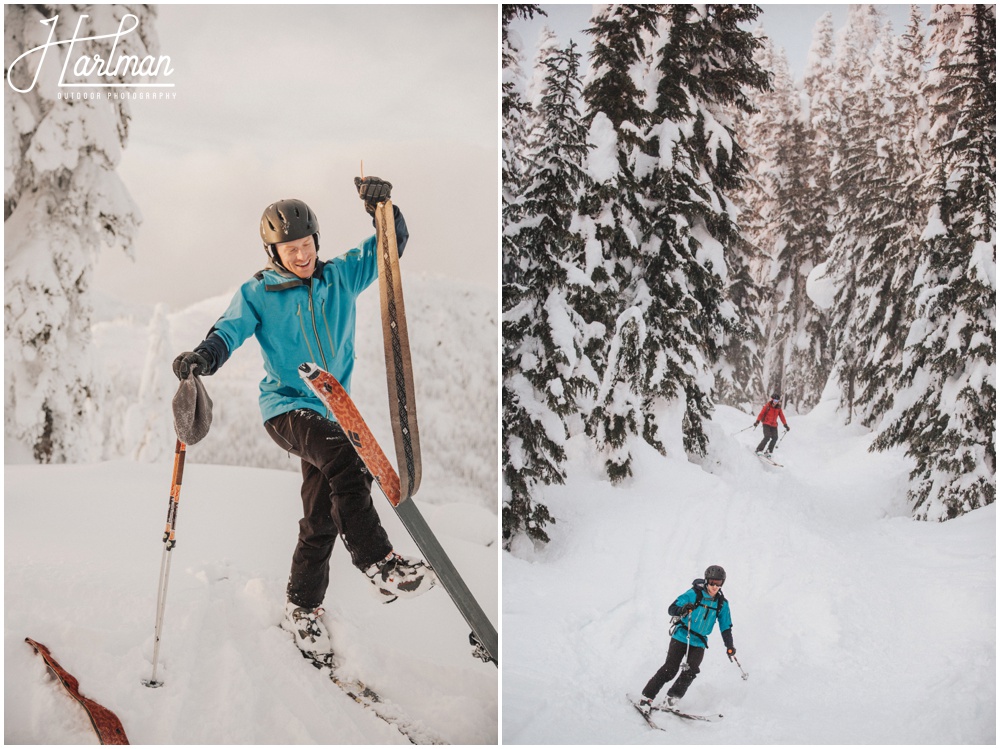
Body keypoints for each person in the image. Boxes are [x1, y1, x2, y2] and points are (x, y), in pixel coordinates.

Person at [171, 177, 437, 660]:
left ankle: (301, 606)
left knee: (320, 519)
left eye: (306, 245)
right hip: (287, 408)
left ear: (317, 241)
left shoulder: (341, 277)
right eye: (290, 248)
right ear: (273, 252)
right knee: (346, 460)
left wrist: (382, 208)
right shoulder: (258, 293)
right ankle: (379, 561)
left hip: (335, 409)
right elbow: (227, 333)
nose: (301, 255)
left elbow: (390, 244)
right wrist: (202, 358)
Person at [638, 566, 735, 710]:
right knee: (670, 669)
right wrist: (682, 609)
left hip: (699, 641)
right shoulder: (693, 594)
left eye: (718, 583)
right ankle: (646, 698)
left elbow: (725, 626)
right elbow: (672, 609)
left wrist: (729, 646)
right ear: (707, 580)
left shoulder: (722, 603)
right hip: (682, 635)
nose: (715, 586)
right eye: (712, 582)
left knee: (691, 670)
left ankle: (670, 700)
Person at [754, 392, 789, 456]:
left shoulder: (778, 408)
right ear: (772, 400)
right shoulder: (767, 406)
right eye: (775, 400)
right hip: (766, 424)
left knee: (775, 438)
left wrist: (785, 424)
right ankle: (759, 449)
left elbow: (782, 417)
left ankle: (769, 451)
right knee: (767, 437)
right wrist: (757, 421)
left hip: (774, 425)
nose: (776, 402)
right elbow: (761, 414)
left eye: (777, 401)